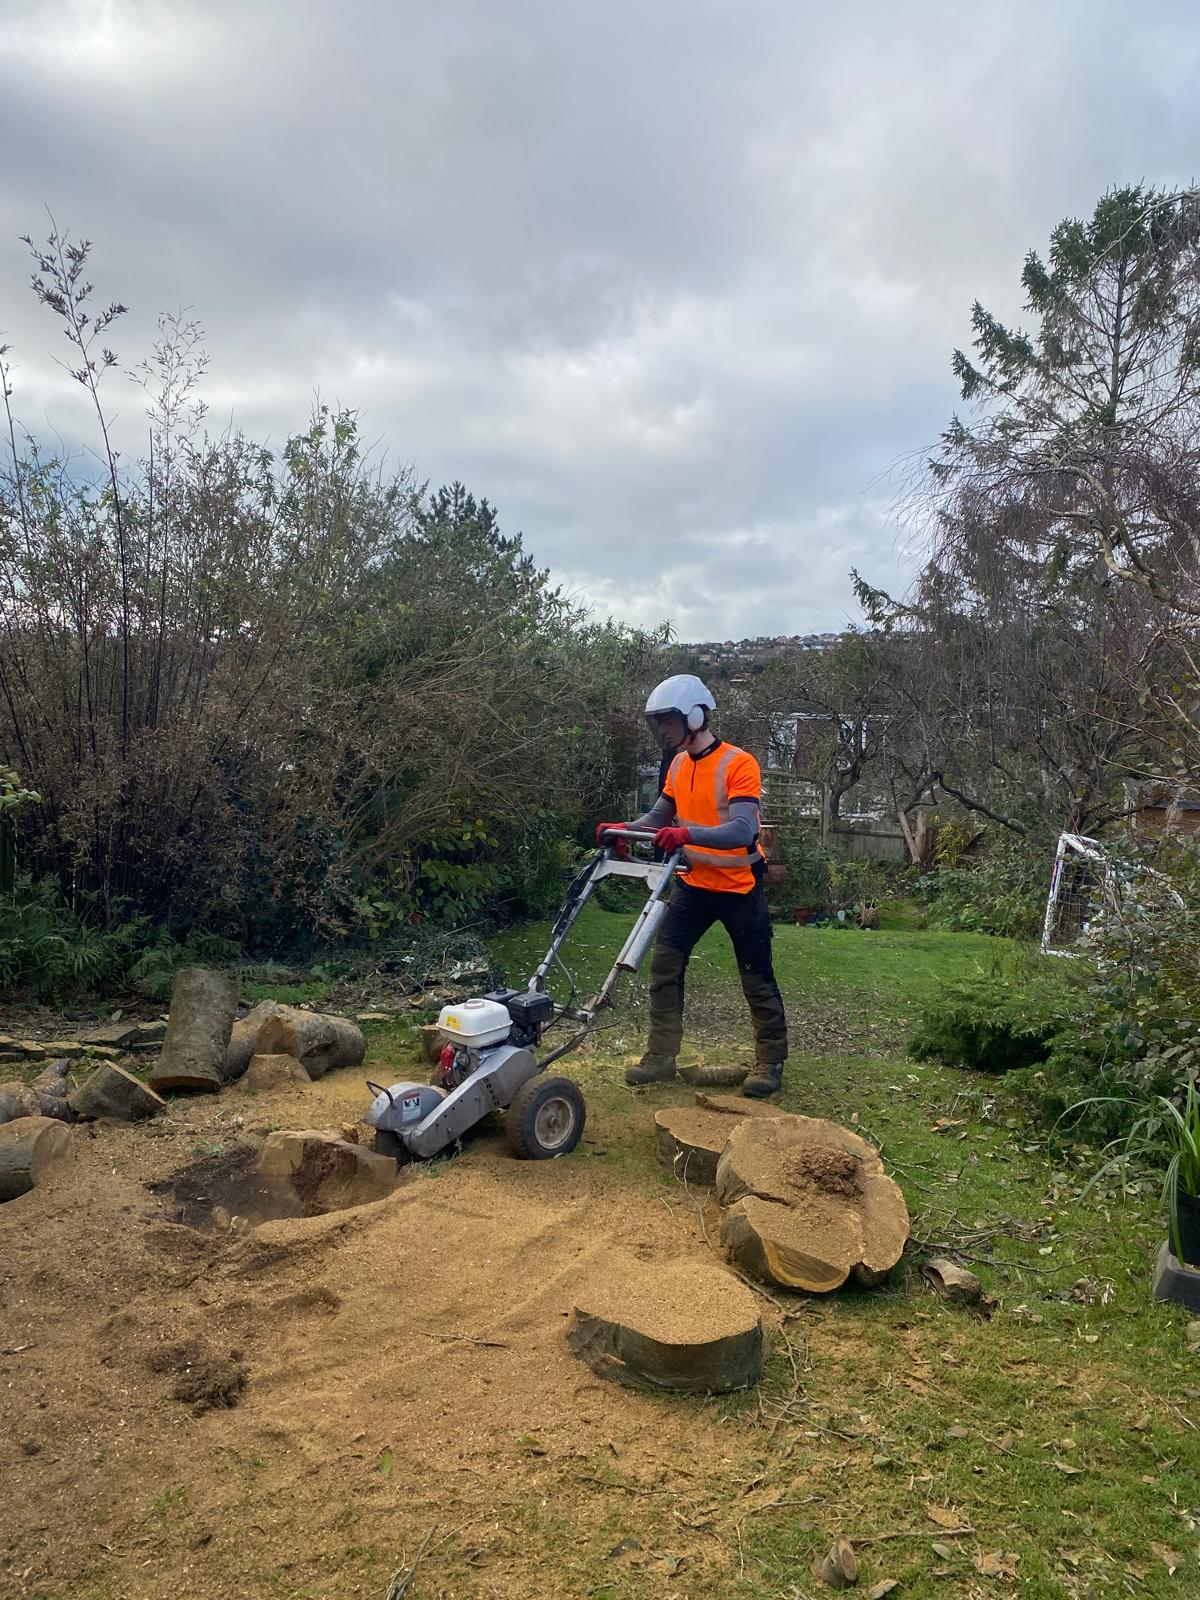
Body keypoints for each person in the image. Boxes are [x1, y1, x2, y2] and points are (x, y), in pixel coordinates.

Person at [595, 674, 788, 1097]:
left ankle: (769, 1062)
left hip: (739, 888)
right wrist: (622, 829)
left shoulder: (739, 763)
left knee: (756, 975)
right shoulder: (679, 765)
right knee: (665, 966)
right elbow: (657, 819)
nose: (662, 731)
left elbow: (742, 829)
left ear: (696, 716)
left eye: (669, 721)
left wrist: (687, 834)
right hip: (694, 884)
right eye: (658, 723)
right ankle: (661, 1057)